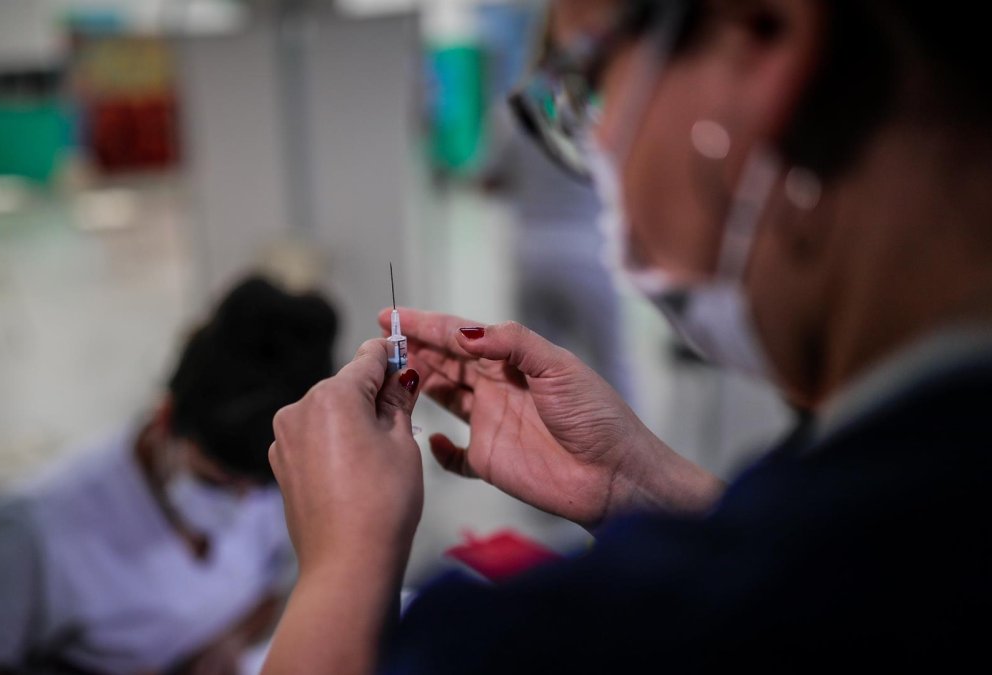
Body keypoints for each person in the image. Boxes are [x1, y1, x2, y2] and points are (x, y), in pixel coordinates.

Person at [261, 0, 992, 671]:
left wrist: (343, 558)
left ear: (764, 36)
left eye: (586, 88)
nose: (595, 145)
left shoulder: (595, 638)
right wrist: (636, 485)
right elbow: (842, 575)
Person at [0, 277, 337, 675]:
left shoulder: (266, 477)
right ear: (165, 419)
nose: (242, 505)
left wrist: (228, 643)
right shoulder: (40, 527)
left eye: (260, 488)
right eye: (214, 483)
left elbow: (268, 586)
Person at [481, 2, 633, 403]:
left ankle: (540, 456)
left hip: (533, 255)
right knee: (612, 368)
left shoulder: (514, 110)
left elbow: (489, 180)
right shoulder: (609, 110)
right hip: (592, 254)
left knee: (534, 374)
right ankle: (635, 459)